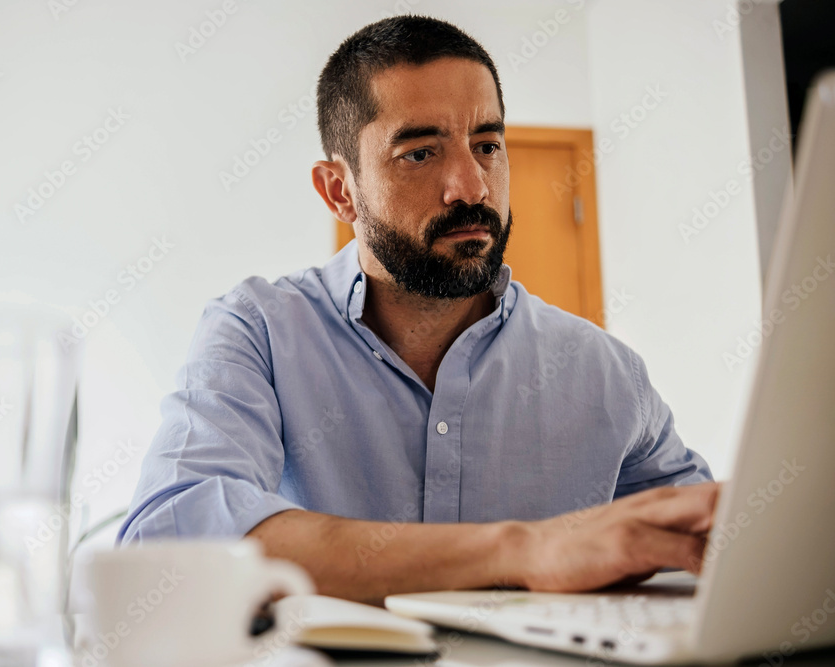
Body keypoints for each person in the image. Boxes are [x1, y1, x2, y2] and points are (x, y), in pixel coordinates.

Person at [118, 15, 716, 604]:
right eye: (420, 154)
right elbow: (172, 540)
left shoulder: (604, 371)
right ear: (339, 191)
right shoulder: (260, 332)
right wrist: (522, 552)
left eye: (487, 145)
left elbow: (713, 549)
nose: (472, 186)